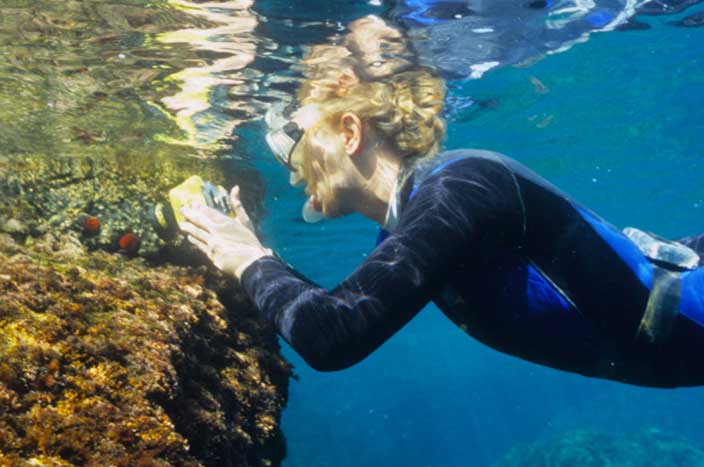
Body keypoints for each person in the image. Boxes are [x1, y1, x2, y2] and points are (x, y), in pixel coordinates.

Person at [178, 18, 704, 389]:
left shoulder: (461, 188)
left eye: (291, 147)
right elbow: (335, 313)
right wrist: (247, 250)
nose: (291, 174)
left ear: (350, 131)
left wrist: (249, 258)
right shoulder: (409, 223)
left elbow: (332, 335)